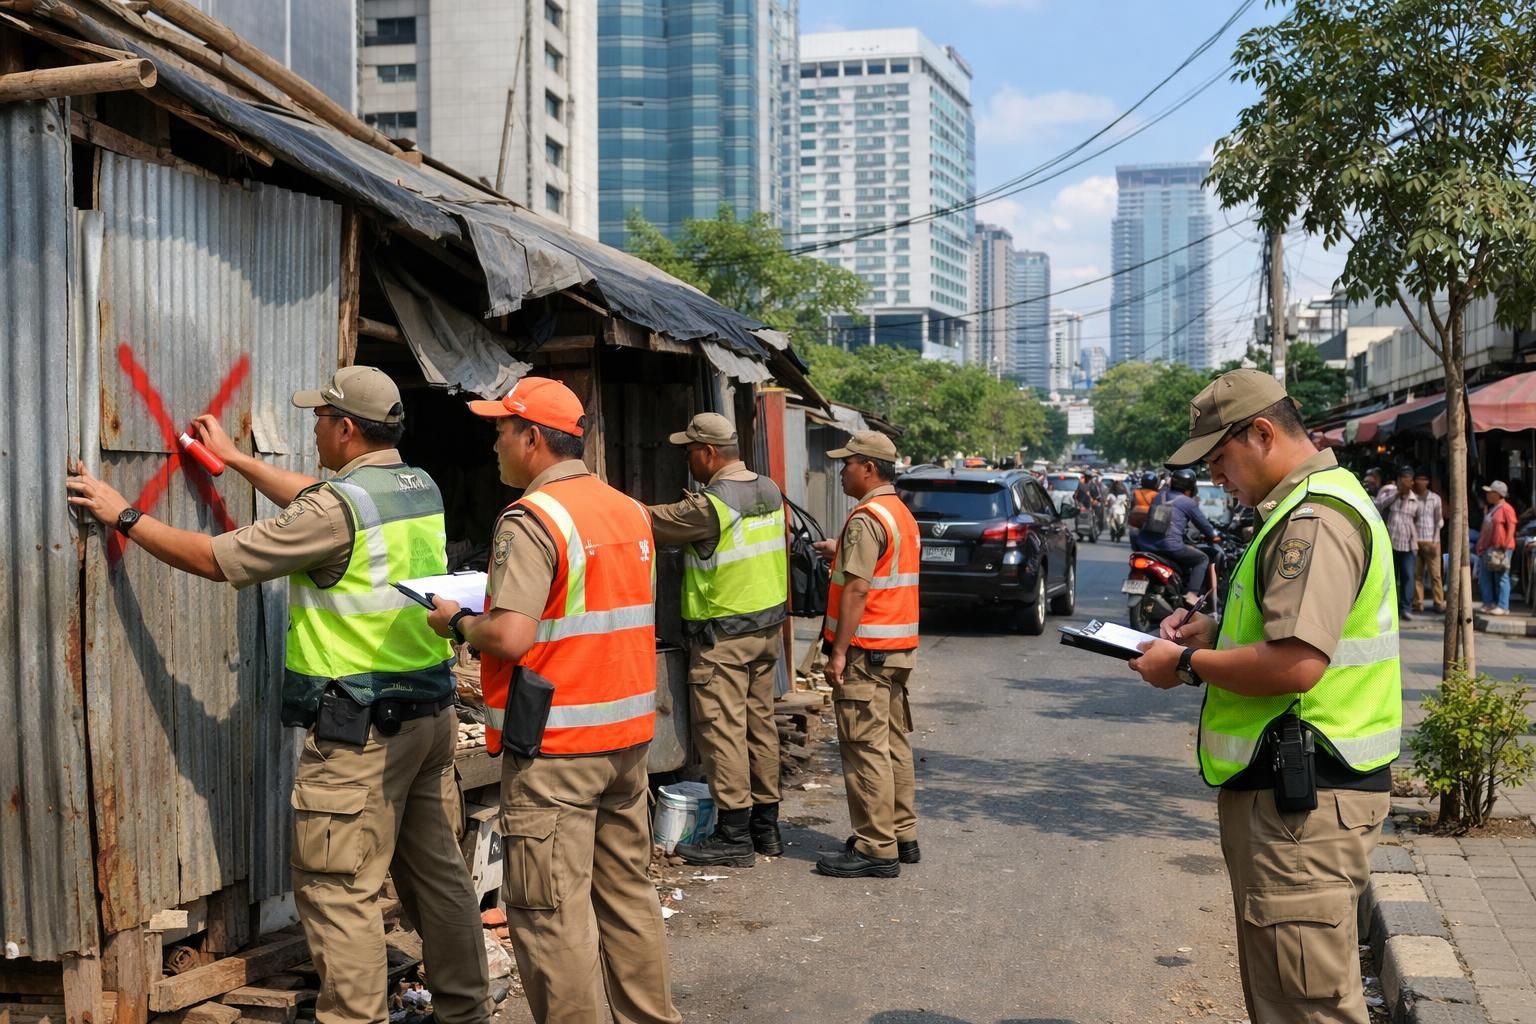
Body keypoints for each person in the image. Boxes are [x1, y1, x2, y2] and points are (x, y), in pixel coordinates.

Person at [67, 367, 490, 1024]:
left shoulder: (338, 509)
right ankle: (467, 1012)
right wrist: (236, 461)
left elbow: (216, 559)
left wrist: (123, 514)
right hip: (427, 719)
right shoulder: (415, 485)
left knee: (338, 891)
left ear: (345, 429)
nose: (313, 427)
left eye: (320, 417)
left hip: (363, 732)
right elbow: (322, 502)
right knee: (438, 878)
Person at [1128, 368, 1400, 1024]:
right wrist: (1215, 631)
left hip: (1304, 805)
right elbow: (1292, 634)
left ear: (1262, 433)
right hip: (1299, 799)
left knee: (1306, 1006)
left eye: (1219, 458)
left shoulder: (1313, 520)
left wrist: (1186, 663)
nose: (1215, 476)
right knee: (1286, 996)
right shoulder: (1305, 506)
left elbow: (1297, 663)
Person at [425, 377, 681, 1024]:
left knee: (549, 914)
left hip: (557, 751)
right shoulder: (629, 511)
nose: (494, 445)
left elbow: (511, 636)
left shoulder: (532, 518)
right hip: (626, 741)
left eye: (500, 431)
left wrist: (457, 621)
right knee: (628, 898)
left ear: (532, 438)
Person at [647, 412, 788, 867]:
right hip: (765, 631)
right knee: (759, 726)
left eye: (689, 451)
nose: (686, 460)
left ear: (708, 453)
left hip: (722, 637)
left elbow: (651, 521)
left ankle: (734, 835)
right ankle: (766, 829)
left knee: (722, 732)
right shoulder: (769, 489)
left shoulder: (711, 505)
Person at [812, 430, 921, 880]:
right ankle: (901, 834)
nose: (842, 471)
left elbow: (858, 589)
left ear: (869, 468)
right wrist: (839, 552)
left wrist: (838, 653)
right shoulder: (899, 514)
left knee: (864, 747)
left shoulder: (866, 518)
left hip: (865, 651)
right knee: (892, 743)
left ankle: (876, 847)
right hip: (896, 651)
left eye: (848, 463)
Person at [1137, 468, 1219, 607]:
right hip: (1170, 547)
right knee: (1202, 559)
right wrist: (1213, 536)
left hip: (1145, 544)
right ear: (1191, 487)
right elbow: (1205, 526)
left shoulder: (1159, 496)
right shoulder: (1188, 502)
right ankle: (1192, 594)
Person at [1373, 466, 1421, 621]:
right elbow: (1378, 506)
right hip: (1390, 543)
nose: (1405, 483)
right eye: (1402, 480)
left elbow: (1418, 521)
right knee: (1390, 577)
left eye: (1408, 480)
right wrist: (1397, 493)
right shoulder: (1389, 493)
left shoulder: (1415, 500)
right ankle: (1390, 607)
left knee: (1408, 576)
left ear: (1412, 482)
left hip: (1408, 545)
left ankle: (1406, 608)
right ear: (1398, 481)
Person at [1476, 480, 1518, 616]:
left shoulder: (1507, 509)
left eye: (1491, 492)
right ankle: (1489, 603)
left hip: (1501, 549)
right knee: (1487, 576)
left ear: (1498, 494)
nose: (1488, 494)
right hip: (1489, 548)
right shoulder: (1493, 509)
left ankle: (1503, 605)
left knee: (1502, 577)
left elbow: (1511, 527)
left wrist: (1504, 545)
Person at [1411, 469, 1445, 614]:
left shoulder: (1435, 498)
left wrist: (1435, 539)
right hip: (1415, 540)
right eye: (1418, 479)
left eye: (1424, 479)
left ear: (1428, 482)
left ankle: (1438, 602)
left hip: (1432, 540)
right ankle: (1418, 603)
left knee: (1435, 575)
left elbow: (1439, 520)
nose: (1421, 482)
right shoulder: (1412, 498)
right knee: (1416, 575)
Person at [1128, 471, 1161, 548]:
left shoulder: (1136, 492)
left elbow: (1132, 505)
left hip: (1136, 517)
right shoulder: (1156, 494)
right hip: (1151, 518)